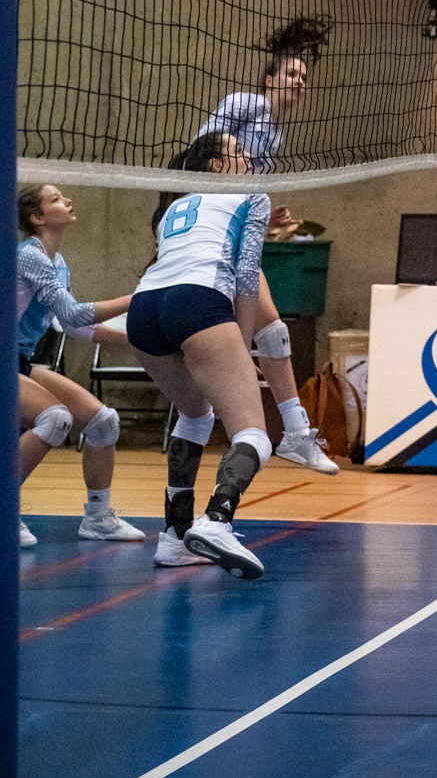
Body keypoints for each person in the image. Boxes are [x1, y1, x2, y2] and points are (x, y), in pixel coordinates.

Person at [128, 132, 274, 579]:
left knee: (195, 415)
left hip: (144, 308)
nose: (250, 156)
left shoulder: (174, 205)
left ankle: (174, 538)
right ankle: (216, 521)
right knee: (255, 435)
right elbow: (247, 278)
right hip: (197, 300)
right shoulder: (254, 197)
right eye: (238, 150)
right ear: (214, 165)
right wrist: (242, 342)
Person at [199, 16, 337, 476]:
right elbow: (202, 156)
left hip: (236, 230)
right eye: (292, 74)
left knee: (273, 332)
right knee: (229, 343)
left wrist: (264, 212)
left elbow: (243, 181)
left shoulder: (276, 132)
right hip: (207, 230)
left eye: (304, 77)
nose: (299, 82)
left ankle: (293, 434)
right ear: (269, 79)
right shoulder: (244, 105)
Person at [16, 184, 145, 547]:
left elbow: (74, 326)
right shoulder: (29, 256)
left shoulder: (57, 263)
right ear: (37, 217)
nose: (68, 200)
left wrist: (141, 341)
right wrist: (136, 299)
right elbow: (74, 313)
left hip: (20, 361)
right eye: (55, 199)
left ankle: (99, 518)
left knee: (103, 422)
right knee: (55, 418)